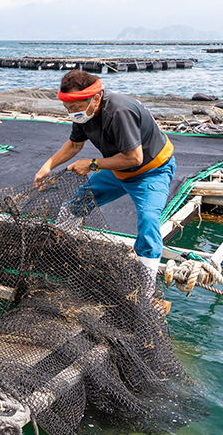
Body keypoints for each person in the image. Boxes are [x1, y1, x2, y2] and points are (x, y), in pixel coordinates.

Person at [34, 69, 175, 290]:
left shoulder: (119, 111)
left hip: (150, 171)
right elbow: (74, 145)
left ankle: (144, 296)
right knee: (73, 208)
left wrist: (92, 164)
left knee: (148, 221)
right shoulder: (84, 112)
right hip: (116, 168)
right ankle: (63, 261)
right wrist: (48, 165)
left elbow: (134, 157)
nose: (72, 113)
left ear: (96, 98)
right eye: (68, 108)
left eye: (75, 107)